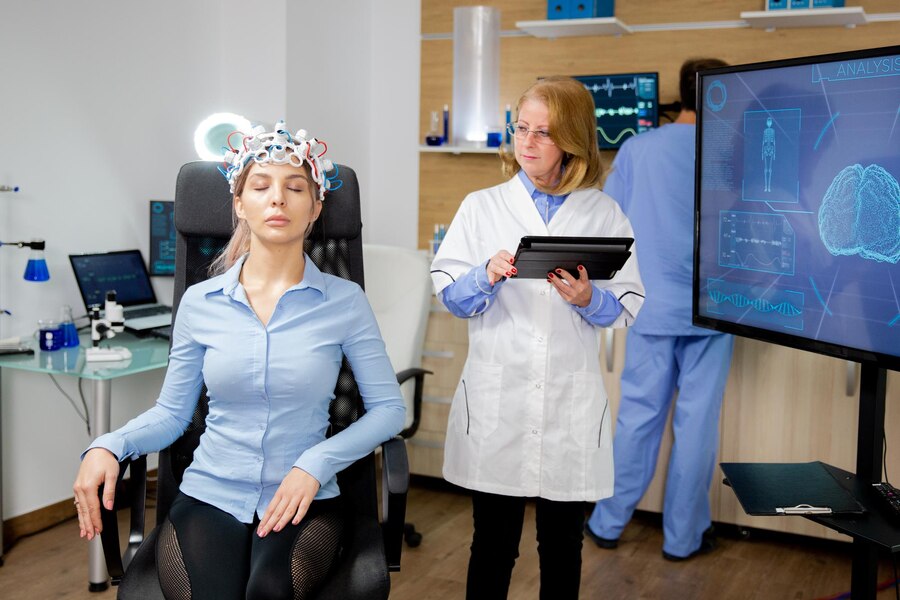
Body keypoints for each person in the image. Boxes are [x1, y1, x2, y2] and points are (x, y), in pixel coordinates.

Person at [73, 122, 406, 600]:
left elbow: (389, 410)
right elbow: (173, 414)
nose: (278, 199)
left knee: (268, 592)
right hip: (211, 493)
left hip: (305, 498)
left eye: (295, 188)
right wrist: (108, 445)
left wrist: (315, 463)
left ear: (315, 208)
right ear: (239, 204)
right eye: (261, 186)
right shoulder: (200, 302)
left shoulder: (345, 301)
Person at [431, 76, 644, 600]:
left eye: (543, 133)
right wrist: (484, 275)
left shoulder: (603, 213)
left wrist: (588, 299)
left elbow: (626, 306)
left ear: (572, 140)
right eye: (521, 128)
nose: (527, 142)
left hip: (568, 402)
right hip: (499, 398)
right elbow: (451, 296)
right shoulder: (482, 207)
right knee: (493, 544)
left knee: (563, 545)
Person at [584, 58, 734, 562]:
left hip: (651, 309)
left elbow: (609, 222)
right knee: (696, 428)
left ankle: (606, 523)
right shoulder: (732, 151)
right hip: (716, 310)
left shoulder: (638, 148)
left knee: (637, 418)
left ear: (682, 93)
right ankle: (683, 539)